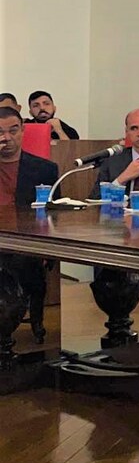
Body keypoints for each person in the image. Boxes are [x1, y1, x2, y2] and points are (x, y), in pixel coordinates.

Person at [0, 106, 58, 342]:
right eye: (0, 132)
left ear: (23, 130)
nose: (6, 137)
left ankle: (15, 327)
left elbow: (55, 213)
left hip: (26, 244)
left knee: (21, 262)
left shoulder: (45, 169)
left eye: (13, 130)